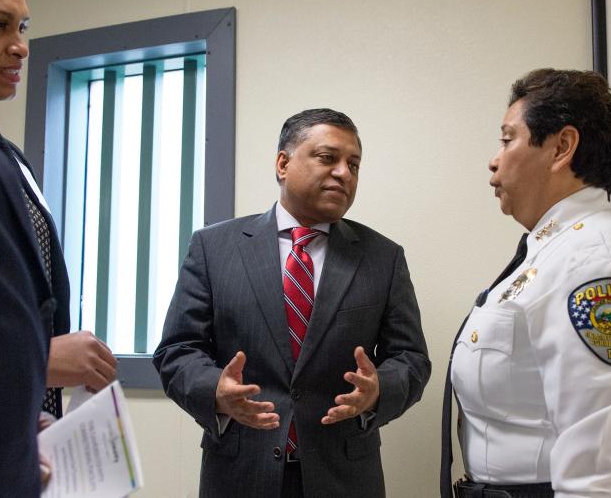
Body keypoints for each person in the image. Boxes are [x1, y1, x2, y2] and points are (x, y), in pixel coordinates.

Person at [154, 108, 431, 497]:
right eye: (327, 158)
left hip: (344, 477)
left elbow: (411, 358)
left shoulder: (382, 258)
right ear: (283, 163)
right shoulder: (214, 248)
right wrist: (215, 388)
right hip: (240, 473)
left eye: (354, 164)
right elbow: (177, 351)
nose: (344, 173)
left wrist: (379, 390)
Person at [441, 69, 611, 497]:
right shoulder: (557, 249)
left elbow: (597, 463)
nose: (494, 160)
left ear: (561, 148)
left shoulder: (597, 262)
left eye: (508, 139)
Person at [0, 0, 117, 495]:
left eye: (22, 27)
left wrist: (18, 415)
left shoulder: (7, 158)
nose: (20, 46)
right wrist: (40, 361)